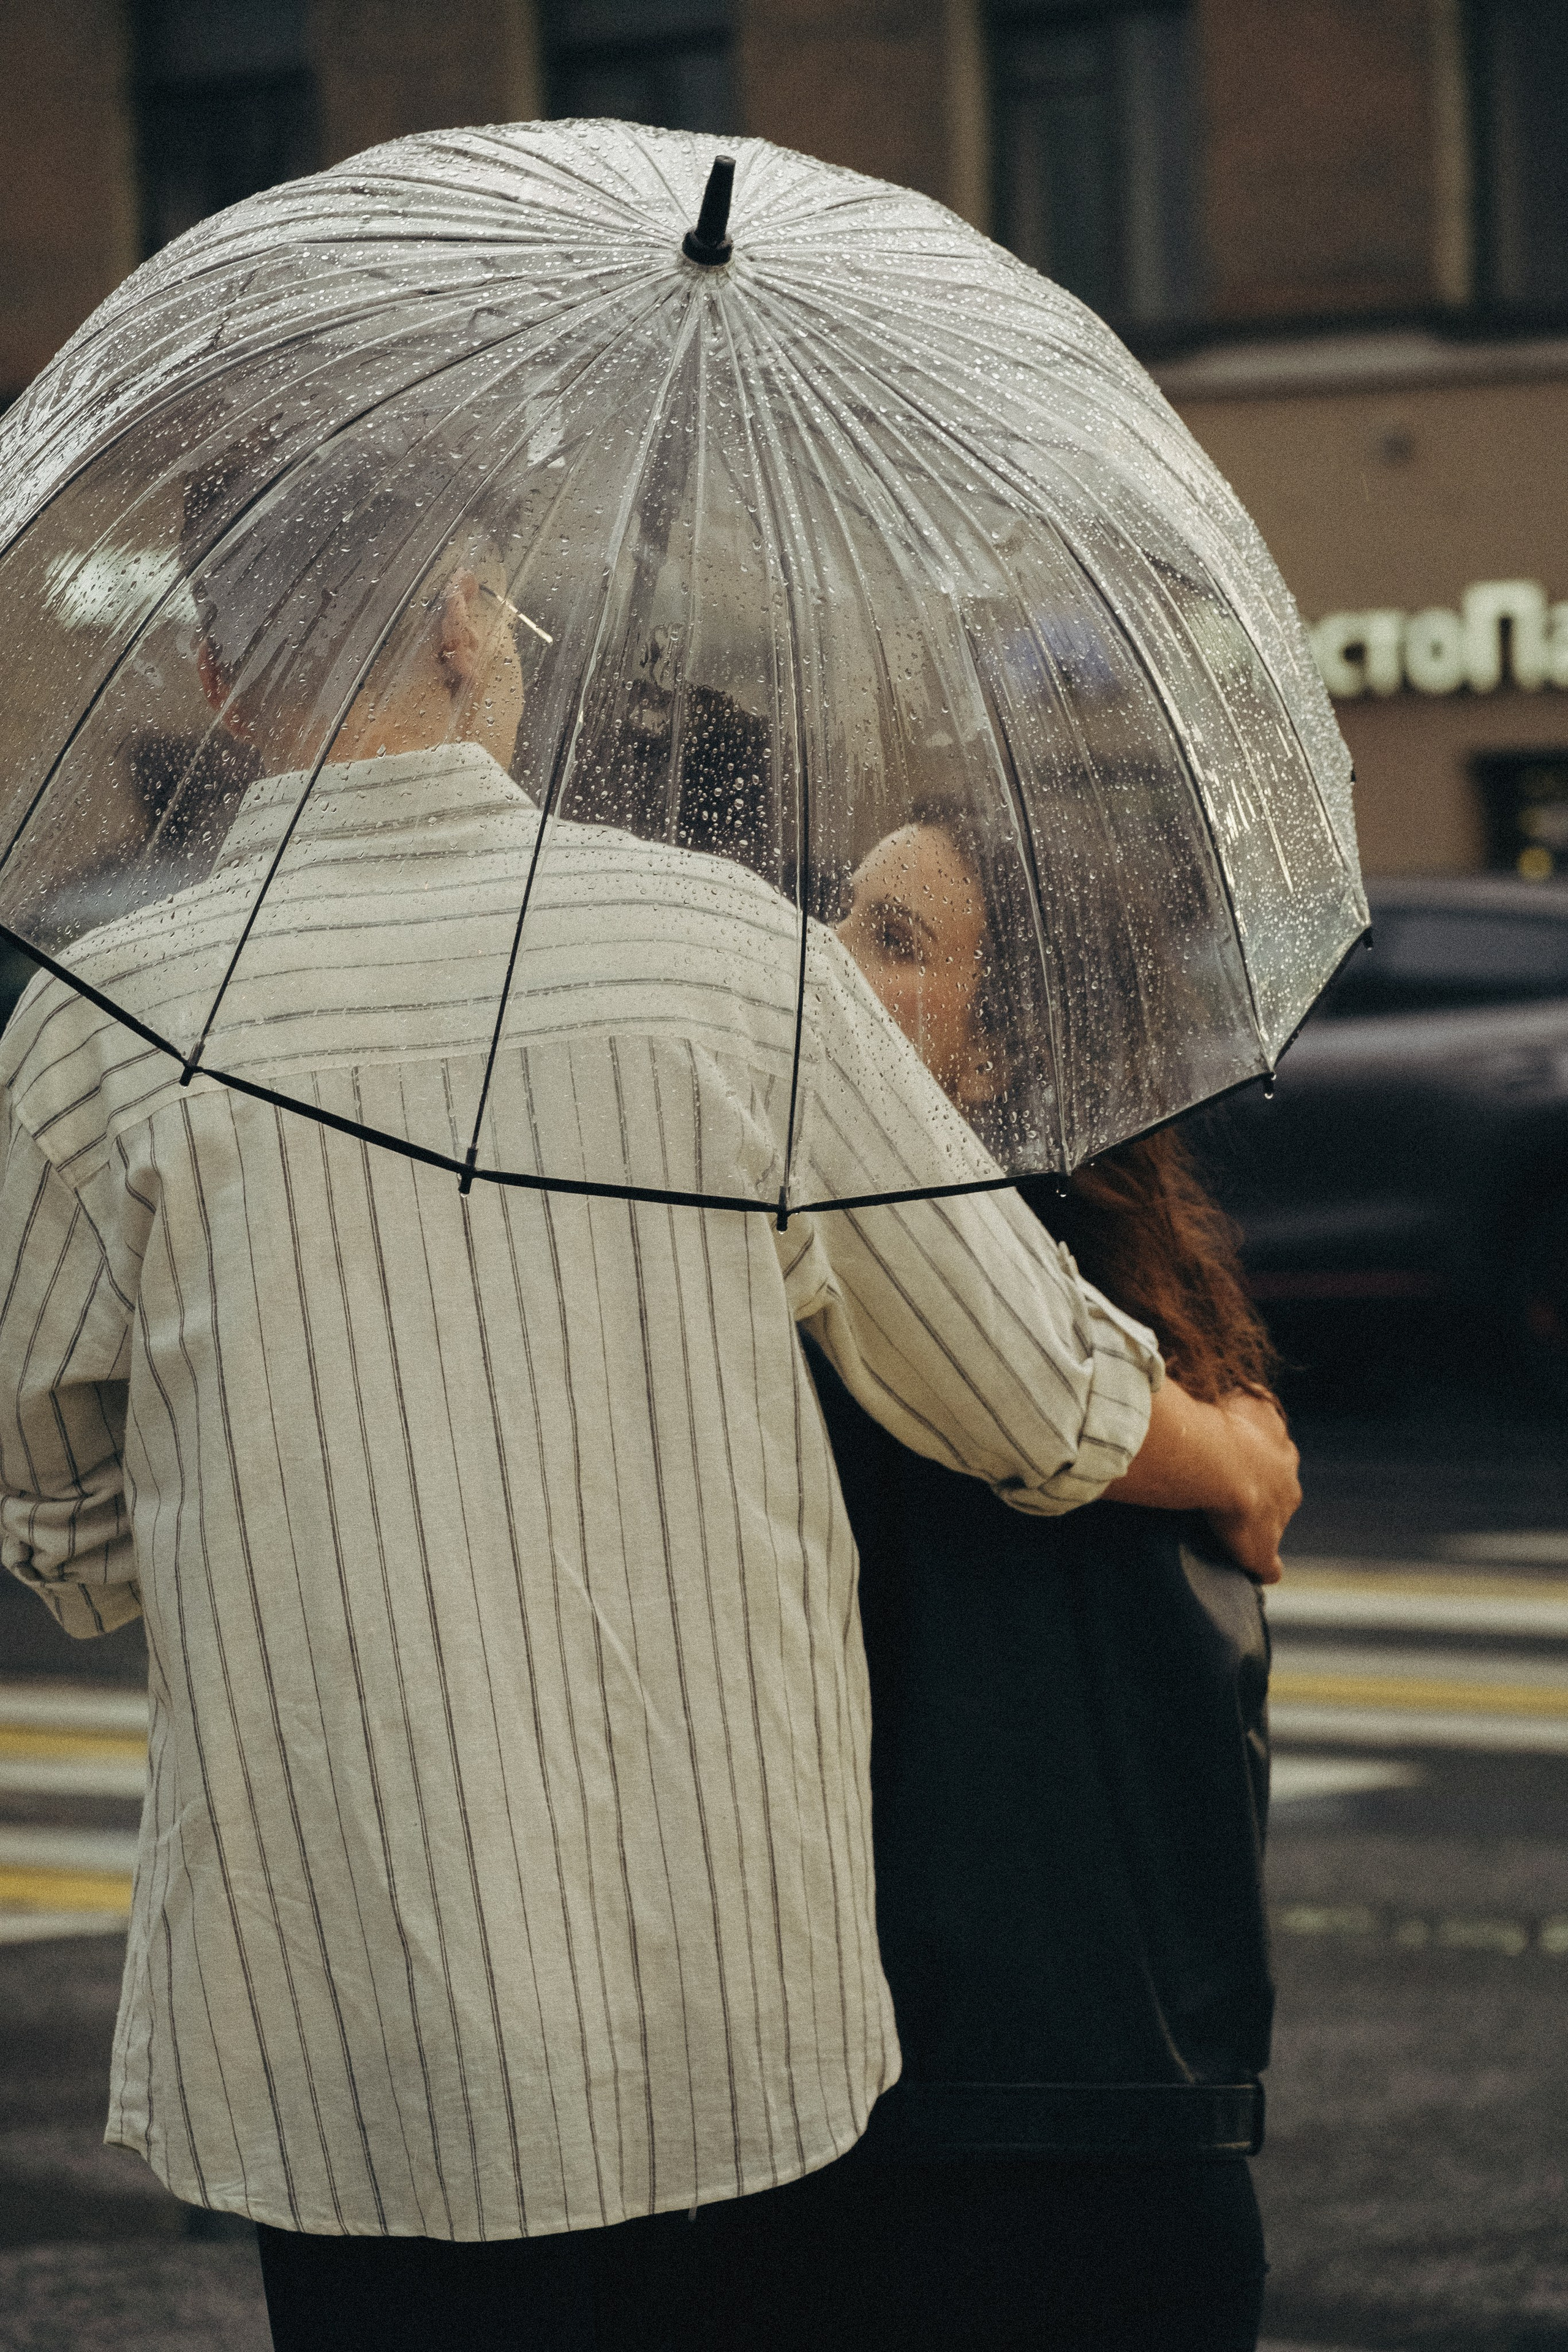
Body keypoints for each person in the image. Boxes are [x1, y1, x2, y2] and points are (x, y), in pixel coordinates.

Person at [0, 440, 1297, 2352]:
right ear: (465, 625)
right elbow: (1027, 1397)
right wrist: (1236, 1455)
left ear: (214, 676)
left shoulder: (101, 1026)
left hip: (335, 2024)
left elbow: (66, 1535)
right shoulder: (723, 962)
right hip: (730, 2021)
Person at [805, 809, 1295, 2351]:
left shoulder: (962, 1304)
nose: (824, 963)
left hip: (1003, 2119)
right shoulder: (1132, 1297)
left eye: (890, 942)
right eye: (840, 915)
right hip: (1129, 2095)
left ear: (1003, 1053)